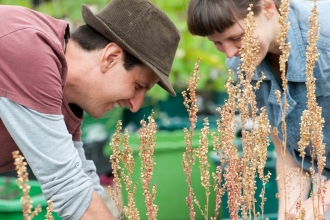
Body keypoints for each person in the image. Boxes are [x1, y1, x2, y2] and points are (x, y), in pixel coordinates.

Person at [0, 0, 180, 219]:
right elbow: (68, 187)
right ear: (111, 57)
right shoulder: (29, 49)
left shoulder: (64, 90)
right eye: (138, 86)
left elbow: (81, 179)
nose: (135, 106)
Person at [187, 0, 330, 219]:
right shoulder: (244, 65)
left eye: (236, 37)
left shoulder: (324, 38)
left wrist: (320, 202)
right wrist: (289, 212)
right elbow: (287, 146)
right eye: (217, 43)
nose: (229, 53)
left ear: (267, 8)